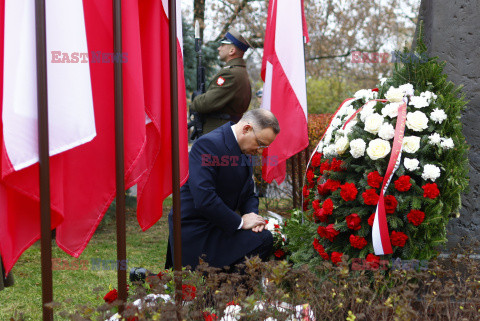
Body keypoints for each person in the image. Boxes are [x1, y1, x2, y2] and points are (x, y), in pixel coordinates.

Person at [167, 109, 280, 270]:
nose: (261, 150)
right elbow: (204, 198)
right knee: (262, 240)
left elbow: (249, 194)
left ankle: (230, 290)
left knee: (262, 237)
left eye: (265, 146)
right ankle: (224, 289)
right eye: (260, 143)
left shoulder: (244, 149)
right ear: (246, 129)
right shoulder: (208, 145)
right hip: (197, 230)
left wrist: (252, 216)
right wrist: (241, 222)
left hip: (220, 225)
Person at [191, 28, 252, 134]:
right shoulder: (238, 71)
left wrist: (195, 100)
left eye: (223, 45)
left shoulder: (230, 74)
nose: (219, 48)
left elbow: (207, 103)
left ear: (232, 51)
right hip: (224, 131)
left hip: (217, 133)